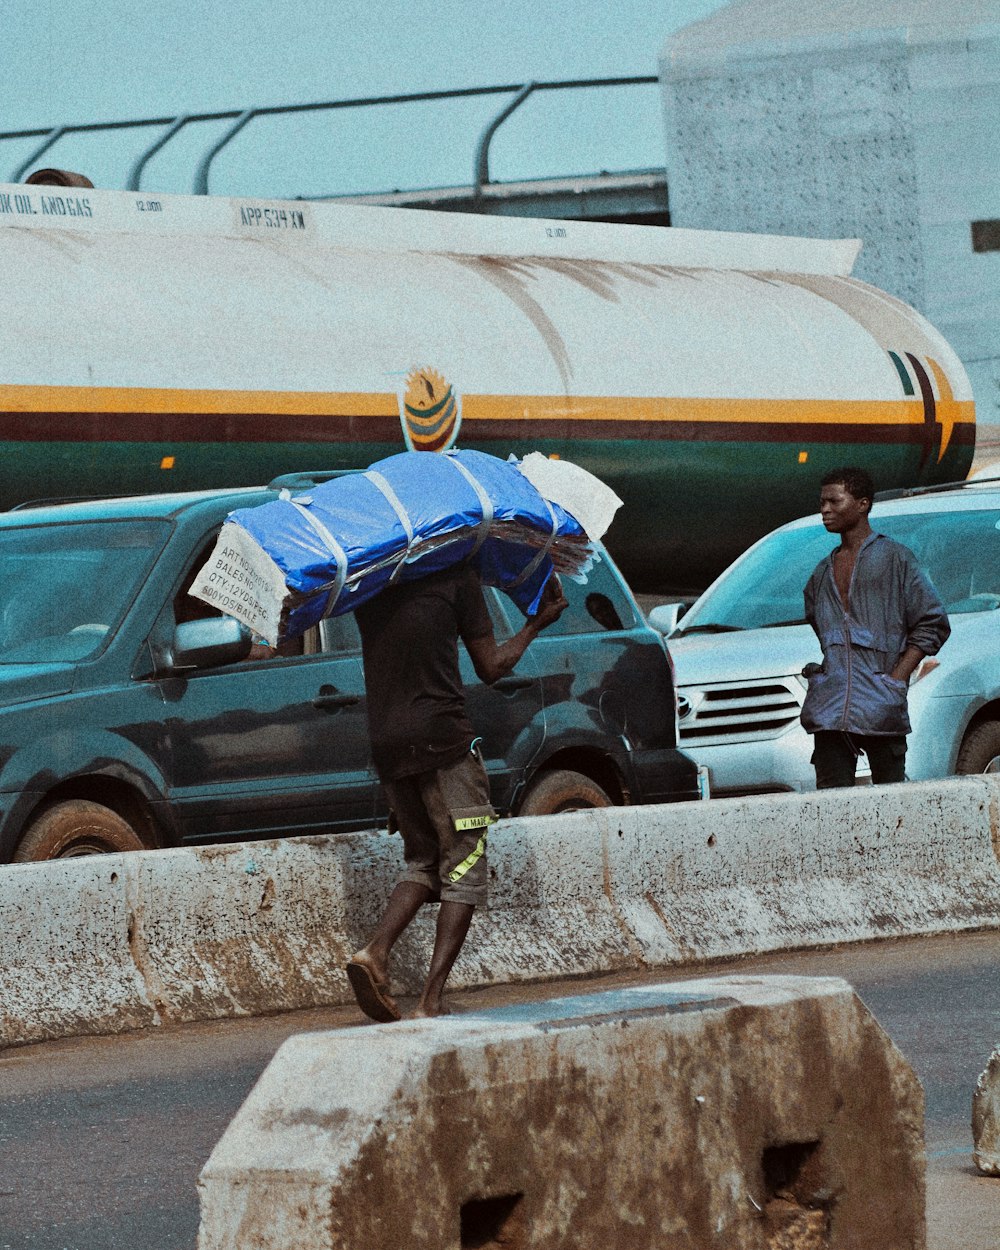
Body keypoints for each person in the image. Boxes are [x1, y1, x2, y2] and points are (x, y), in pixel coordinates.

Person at [346, 562, 568, 1021]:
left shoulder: (370, 579)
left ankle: (375, 953)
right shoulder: (458, 576)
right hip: (444, 741)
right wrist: (535, 623)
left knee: (423, 861)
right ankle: (430, 1000)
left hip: (388, 747)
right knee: (464, 868)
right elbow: (493, 667)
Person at [800, 466, 950, 789]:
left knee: (891, 804)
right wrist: (829, 670)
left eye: (834, 501)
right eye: (821, 502)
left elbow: (933, 622)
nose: (824, 510)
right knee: (830, 809)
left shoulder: (896, 559)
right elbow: (820, 622)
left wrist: (897, 679)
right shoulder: (820, 574)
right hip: (830, 710)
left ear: (862, 504)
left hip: (882, 705)